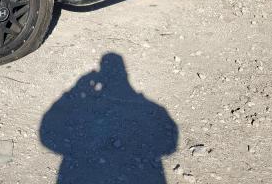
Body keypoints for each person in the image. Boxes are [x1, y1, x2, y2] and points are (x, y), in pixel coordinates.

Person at [40, 53, 178, 183]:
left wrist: (74, 90)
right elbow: (170, 146)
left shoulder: (151, 109)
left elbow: (46, 135)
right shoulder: (153, 109)